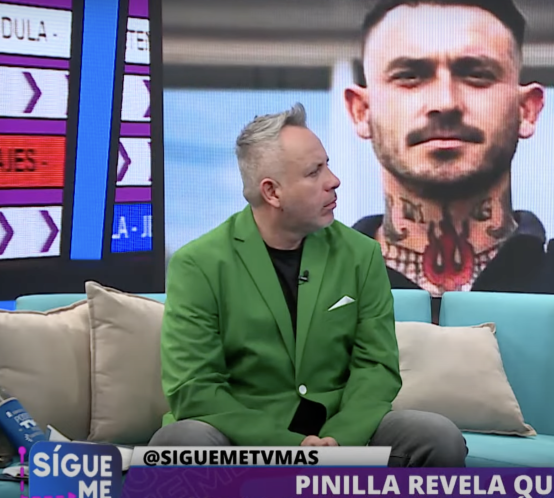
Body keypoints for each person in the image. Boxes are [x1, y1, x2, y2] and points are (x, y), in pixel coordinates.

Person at [151, 103, 468, 468]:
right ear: (272, 193)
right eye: (315, 172)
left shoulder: (360, 254)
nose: (333, 180)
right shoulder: (199, 264)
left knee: (435, 436)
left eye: (327, 165)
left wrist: (339, 438)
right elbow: (195, 387)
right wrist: (290, 446)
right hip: (246, 438)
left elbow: (376, 368)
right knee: (181, 442)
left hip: (340, 429)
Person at [344, 0, 554, 298]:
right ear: (361, 112)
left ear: (526, 110)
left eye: (477, 75)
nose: (445, 102)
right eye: (409, 76)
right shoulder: (303, 296)